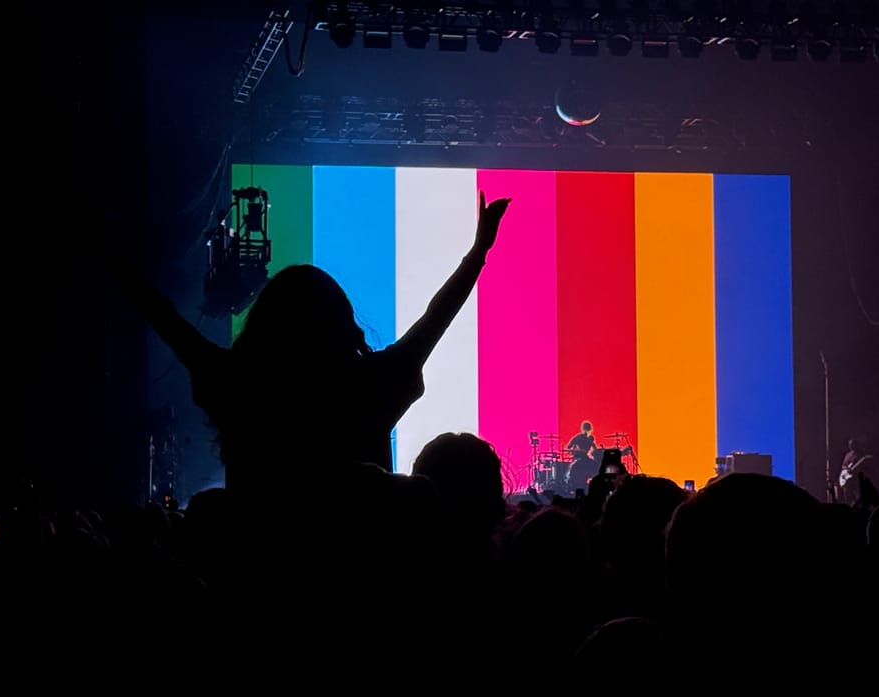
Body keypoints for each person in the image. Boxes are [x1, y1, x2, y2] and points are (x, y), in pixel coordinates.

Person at [108, 191, 511, 505]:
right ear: (342, 322)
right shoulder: (370, 386)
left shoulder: (238, 385)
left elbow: (166, 319)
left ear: (265, 322)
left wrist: (113, 259)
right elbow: (434, 320)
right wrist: (478, 254)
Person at [565, 420, 599, 490]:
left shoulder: (585, 438)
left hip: (581, 458)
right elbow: (596, 450)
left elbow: (568, 447)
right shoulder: (585, 438)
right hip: (580, 458)